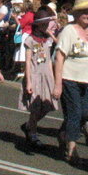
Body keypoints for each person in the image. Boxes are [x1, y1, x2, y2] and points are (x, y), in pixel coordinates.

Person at [52, 0, 88, 164]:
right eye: (85, 13)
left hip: (86, 80)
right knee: (74, 113)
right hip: (69, 78)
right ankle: (72, 149)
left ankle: (64, 134)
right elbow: (59, 57)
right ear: (78, 13)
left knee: (85, 113)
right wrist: (58, 84)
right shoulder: (69, 30)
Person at [19, 8, 58, 149]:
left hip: (46, 76)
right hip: (34, 76)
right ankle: (33, 134)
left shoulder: (46, 40)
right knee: (35, 107)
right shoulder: (30, 40)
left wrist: (53, 80)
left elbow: (48, 60)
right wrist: (28, 81)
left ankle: (29, 125)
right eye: (45, 24)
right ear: (38, 25)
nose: (47, 26)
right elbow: (28, 61)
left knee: (48, 105)